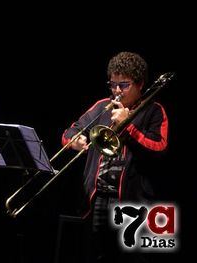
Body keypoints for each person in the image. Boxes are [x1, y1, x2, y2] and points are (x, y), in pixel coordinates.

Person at [61, 51, 169, 262]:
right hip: (97, 198)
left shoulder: (154, 110)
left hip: (132, 204)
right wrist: (75, 141)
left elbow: (159, 149)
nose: (117, 91)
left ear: (140, 84)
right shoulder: (103, 106)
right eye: (113, 84)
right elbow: (70, 132)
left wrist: (127, 125)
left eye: (124, 85)